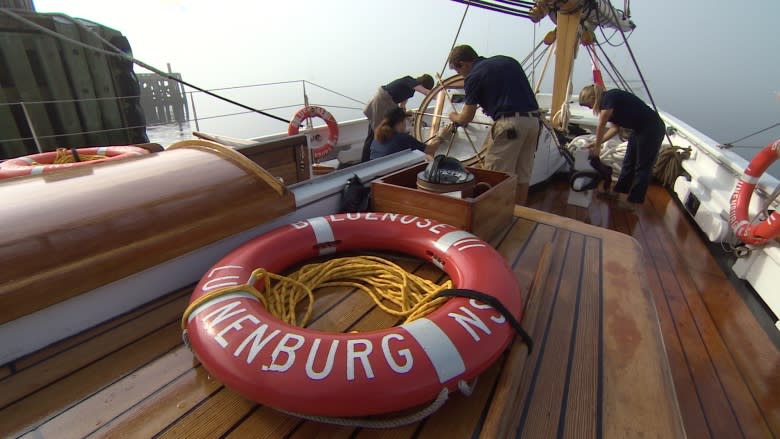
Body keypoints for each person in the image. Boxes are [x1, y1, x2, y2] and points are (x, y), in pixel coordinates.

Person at [446, 45, 540, 205]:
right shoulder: (508, 61)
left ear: (463, 64)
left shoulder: (473, 76)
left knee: (495, 174)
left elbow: (466, 117)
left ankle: (494, 217)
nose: (460, 75)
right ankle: (519, 214)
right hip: (534, 122)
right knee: (523, 174)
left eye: (457, 70)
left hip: (511, 125)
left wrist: (453, 116)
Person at [578, 84, 665, 208]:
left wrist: (597, 148)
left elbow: (601, 124)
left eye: (588, 105)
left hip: (652, 129)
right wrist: (598, 142)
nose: (589, 108)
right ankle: (619, 191)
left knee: (642, 167)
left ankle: (634, 201)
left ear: (593, 97)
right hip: (639, 129)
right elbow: (614, 129)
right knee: (629, 162)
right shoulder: (609, 104)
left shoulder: (609, 97)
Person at [362, 75, 434, 162]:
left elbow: (402, 106)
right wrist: (441, 96)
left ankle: (369, 160)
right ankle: (366, 161)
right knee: (376, 133)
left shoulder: (410, 91)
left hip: (386, 104)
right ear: (423, 84)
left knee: (374, 133)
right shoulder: (409, 80)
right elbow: (426, 92)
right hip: (382, 102)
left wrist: (409, 119)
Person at [369, 107, 453, 160]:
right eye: (405, 121)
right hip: (393, 177)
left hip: (378, 176)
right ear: (400, 122)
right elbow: (430, 150)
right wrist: (441, 136)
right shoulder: (403, 138)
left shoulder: (377, 137)